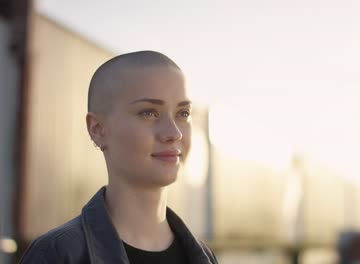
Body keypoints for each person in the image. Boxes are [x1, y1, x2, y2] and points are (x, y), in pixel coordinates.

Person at [19, 50, 218, 264]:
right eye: (149, 112)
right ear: (98, 129)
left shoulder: (204, 256)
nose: (174, 133)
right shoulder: (56, 255)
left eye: (183, 113)